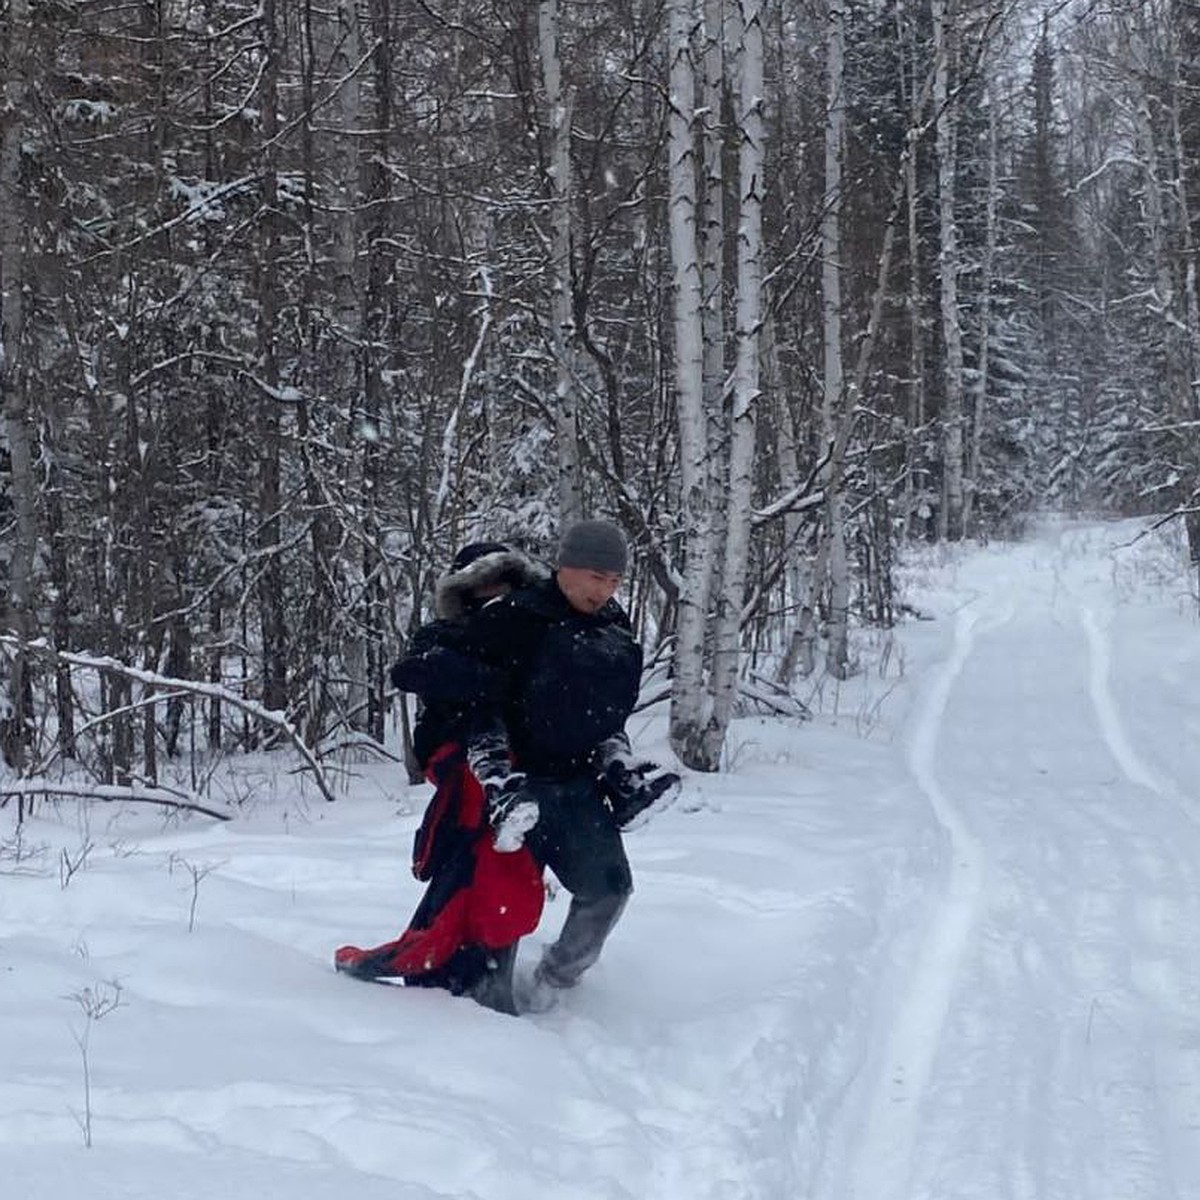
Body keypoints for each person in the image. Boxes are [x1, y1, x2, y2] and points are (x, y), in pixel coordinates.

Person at [409, 519, 681, 1014]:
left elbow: (605, 712)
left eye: (616, 580)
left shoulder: (613, 629)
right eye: (597, 577)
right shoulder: (513, 618)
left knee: (609, 888)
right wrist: (490, 766)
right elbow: (455, 693)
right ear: (567, 567)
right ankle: (486, 1018)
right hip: (510, 786)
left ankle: (554, 984)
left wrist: (615, 762)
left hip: (576, 784)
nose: (607, 590)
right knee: (502, 905)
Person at [333, 542, 548, 1010]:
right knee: (477, 868)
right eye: (482, 590)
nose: (494, 600)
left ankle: (482, 980)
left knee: (500, 873)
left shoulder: (535, 639)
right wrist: (490, 683)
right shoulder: (445, 636)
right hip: (464, 769)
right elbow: (415, 672)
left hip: (522, 777)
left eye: (504, 589)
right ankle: (461, 979)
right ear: (465, 593)